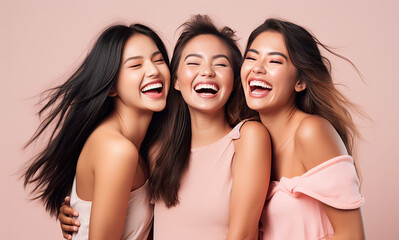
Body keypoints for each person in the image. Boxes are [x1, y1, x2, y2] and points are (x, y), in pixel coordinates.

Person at [58, 15, 271, 240]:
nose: (207, 71)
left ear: (235, 79)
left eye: (220, 64)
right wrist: (82, 215)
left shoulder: (247, 138)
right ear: (177, 80)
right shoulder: (153, 151)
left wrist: (85, 214)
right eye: (193, 62)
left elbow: (244, 234)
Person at [23, 23, 170, 240]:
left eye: (158, 60)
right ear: (111, 87)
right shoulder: (117, 149)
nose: (153, 70)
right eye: (135, 65)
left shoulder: (141, 147)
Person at [240, 18, 365, 239]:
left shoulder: (311, 131)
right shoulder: (251, 141)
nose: (257, 68)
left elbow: (352, 235)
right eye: (251, 58)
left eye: (275, 61)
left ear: (300, 82)